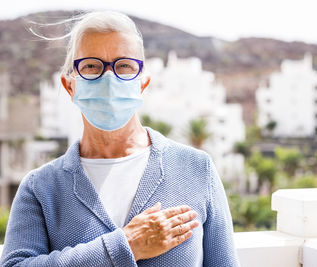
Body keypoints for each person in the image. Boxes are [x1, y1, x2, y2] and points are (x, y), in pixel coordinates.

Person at [0, 11, 240, 267]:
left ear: (143, 83)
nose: (109, 79)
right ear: (70, 86)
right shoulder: (40, 188)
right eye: (91, 66)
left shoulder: (196, 169)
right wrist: (125, 246)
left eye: (124, 65)